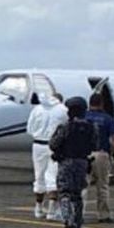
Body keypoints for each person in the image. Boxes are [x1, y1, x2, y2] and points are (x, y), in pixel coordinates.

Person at [49, 97, 98, 228]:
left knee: (64, 192)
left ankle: (68, 220)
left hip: (66, 162)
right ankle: (77, 223)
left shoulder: (65, 127)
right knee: (77, 194)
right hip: (82, 162)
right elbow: (95, 145)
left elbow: (53, 144)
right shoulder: (91, 127)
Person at [26, 92, 68, 220]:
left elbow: (29, 129)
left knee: (39, 175)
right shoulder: (63, 110)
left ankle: (38, 208)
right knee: (53, 176)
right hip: (54, 145)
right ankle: (51, 210)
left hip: (38, 145)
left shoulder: (37, 109)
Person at [84, 93, 114, 223]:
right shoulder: (107, 119)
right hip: (101, 154)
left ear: (89, 103)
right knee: (102, 186)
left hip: (84, 154)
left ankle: (79, 213)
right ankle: (103, 215)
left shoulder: (83, 117)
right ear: (101, 103)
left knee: (83, 185)